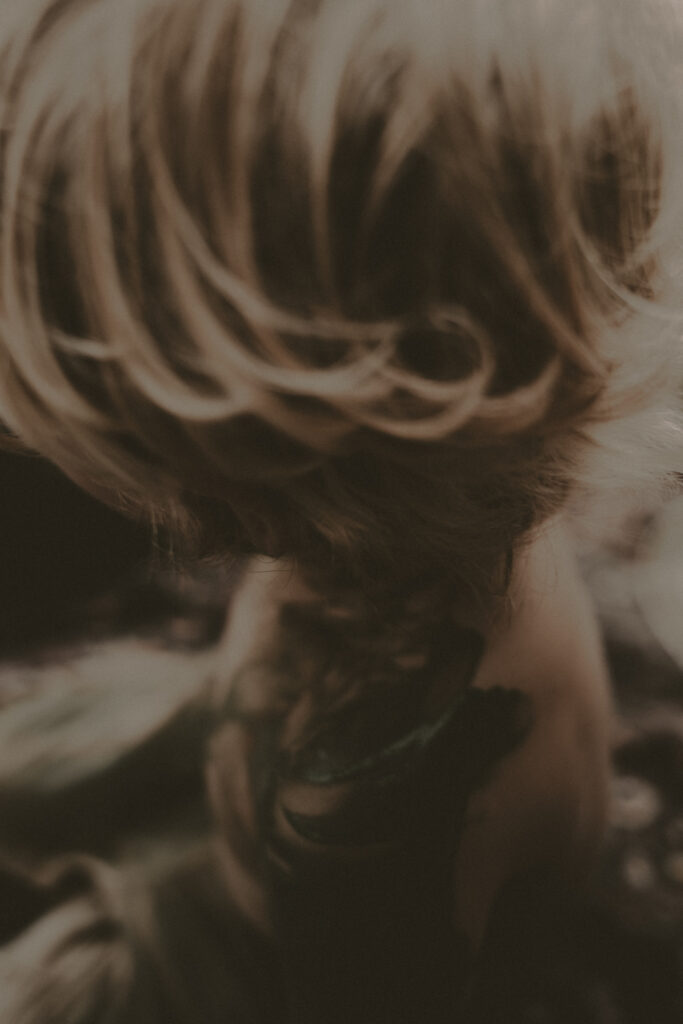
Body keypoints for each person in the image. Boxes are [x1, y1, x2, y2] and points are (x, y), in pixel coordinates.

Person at [0, 0, 681, 1019]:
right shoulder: (464, 519)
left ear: (237, 494)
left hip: (226, 951)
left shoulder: (363, 820)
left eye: (114, 435)